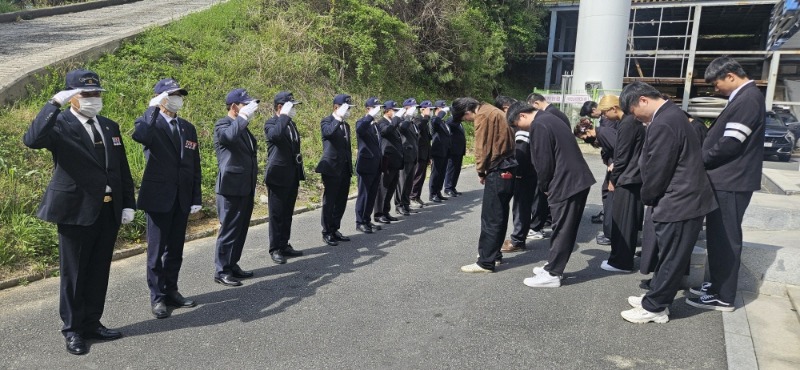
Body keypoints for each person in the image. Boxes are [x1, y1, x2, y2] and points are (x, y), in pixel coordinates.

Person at [23, 69, 135, 355]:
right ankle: (73, 330)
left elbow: (121, 168)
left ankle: (92, 322)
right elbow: (32, 139)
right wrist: (53, 104)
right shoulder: (59, 124)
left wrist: (128, 204)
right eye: (86, 94)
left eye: (96, 93)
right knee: (74, 274)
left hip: (108, 210)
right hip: (76, 210)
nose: (93, 99)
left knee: (98, 271)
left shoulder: (109, 126)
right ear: (72, 97)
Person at [618, 81, 717, 324]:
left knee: (672, 256)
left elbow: (658, 168)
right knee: (669, 254)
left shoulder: (664, 122)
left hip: (679, 200)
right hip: (683, 197)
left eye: (633, 112)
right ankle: (655, 297)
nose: (635, 118)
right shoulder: (672, 114)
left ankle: (655, 307)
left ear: (642, 100)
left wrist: (649, 198)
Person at [687, 56, 765, 312]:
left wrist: (700, 159)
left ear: (730, 75)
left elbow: (731, 143)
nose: (714, 89)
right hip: (729, 180)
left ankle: (723, 296)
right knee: (719, 237)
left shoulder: (748, 99)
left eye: (716, 83)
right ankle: (717, 284)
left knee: (725, 238)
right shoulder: (745, 98)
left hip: (731, 181)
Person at [507, 102, 595, 287]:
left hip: (567, 182)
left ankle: (553, 273)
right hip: (574, 179)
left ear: (522, 115)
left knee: (562, 228)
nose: (517, 128)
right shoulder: (550, 118)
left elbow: (543, 161)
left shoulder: (539, 125)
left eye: (515, 124)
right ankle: (552, 265)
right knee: (562, 227)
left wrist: (544, 185)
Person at [133, 78, 201, 319]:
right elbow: (139, 135)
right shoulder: (150, 124)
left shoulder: (187, 127)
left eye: (180, 95)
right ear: (161, 97)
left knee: (175, 250)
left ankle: (171, 290)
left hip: (182, 198)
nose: (178, 99)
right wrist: (151, 109)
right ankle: (157, 297)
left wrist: (196, 196)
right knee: (157, 251)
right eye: (173, 94)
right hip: (159, 197)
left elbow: (194, 166)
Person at [457, 97, 517, 273]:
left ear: (468, 111)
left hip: (497, 168)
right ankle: (494, 254)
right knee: (500, 214)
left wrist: (480, 170)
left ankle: (486, 261)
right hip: (509, 165)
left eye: (464, 118)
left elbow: (481, 147)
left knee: (491, 216)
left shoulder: (483, 115)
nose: (467, 121)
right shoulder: (495, 111)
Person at [212, 88, 260, 287]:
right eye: (244, 105)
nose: (249, 108)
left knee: (241, 228)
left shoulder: (243, 126)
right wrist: (243, 117)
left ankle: (232, 264)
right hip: (230, 186)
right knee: (230, 228)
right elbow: (229, 138)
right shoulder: (223, 124)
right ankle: (221, 269)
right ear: (234, 106)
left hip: (245, 185)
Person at [597, 95, 645, 273]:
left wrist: (613, 179)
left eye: (604, 112)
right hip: (634, 177)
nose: (603, 116)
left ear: (614, 108)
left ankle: (621, 262)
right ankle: (621, 258)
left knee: (623, 221)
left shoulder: (627, 124)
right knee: (628, 221)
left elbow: (621, 156)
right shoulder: (633, 122)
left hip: (627, 178)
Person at [264, 91, 306, 264]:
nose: (293, 110)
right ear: (280, 107)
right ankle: (275, 248)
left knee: (287, 212)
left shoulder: (290, 124)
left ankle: (284, 244)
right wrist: (283, 116)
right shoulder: (272, 123)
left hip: (292, 174)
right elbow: (275, 136)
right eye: (291, 106)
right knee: (277, 214)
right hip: (278, 176)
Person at [316, 94, 354, 246]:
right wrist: (338, 117)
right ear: (336, 107)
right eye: (346, 108)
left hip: (344, 168)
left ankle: (335, 228)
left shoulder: (346, 125)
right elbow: (328, 133)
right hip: (331, 168)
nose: (348, 111)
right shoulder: (327, 121)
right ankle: (326, 231)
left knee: (341, 201)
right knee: (330, 201)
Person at [573, 116, 616, 245]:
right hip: (614, 168)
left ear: (587, 131)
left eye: (583, 136)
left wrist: (613, 166)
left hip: (616, 170)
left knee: (610, 197)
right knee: (606, 196)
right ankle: (609, 232)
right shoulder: (602, 134)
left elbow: (619, 150)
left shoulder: (603, 133)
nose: (585, 139)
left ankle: (610, 234)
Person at [354, 98, 384, 233]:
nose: (378, 111)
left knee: (372, 194)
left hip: (376, 165)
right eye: (375, 108)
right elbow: (360, 130)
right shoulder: (362, 122)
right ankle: (360, 221)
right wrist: (369, 116)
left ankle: (367, 220)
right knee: (364, 194)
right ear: (368, 109)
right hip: (366, 165)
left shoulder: (375, 125)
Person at [373, 100, 404, 224]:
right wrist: (396, 119)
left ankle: (386, 211)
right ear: (387, 111)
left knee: (391, 188)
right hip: (387, 160)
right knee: (383, 188)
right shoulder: (382, 122)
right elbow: (386, 131)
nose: (396, 113)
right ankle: (378, 213)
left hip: (395, 161)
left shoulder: (393, 122)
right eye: (394, 110)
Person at [394, 98, 420, 216]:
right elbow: (402, 128)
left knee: (409, 182)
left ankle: (406, 204)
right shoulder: (403, 119)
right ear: (407, 108)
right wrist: (408, 116)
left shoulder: (413, 121)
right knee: (402, 182)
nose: (416, 110)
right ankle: (399, 205)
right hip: (405, 155)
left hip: (413, 156)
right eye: (413, 108)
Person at [409, 100, 433, 208]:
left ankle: (417, 196)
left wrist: (429, 155)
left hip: (425, 153)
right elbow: (418, 128)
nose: (430, 111)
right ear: (422, 109)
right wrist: (426, 117)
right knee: (417, 176)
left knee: (422, 177)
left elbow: (427, 139)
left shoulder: (426, 121)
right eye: (429, 109)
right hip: (419, 153)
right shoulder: (418, 119)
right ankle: (412, 197)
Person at [428, 100, 451, 202]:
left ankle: (438, 191)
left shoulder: (443, 121)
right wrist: (441, 113)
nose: (444, 111)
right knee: (436, 173)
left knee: (442, 173)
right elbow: (435, 122)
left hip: (445, 151)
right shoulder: (434, 119)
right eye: (442, 108)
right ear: (437, 109)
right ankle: (432, 194)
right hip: (437, 151)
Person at [444, 114, 466, 197]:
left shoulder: (459, 123)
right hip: (453, 150)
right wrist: (457, 116)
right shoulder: (451, 120)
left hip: (459, 150)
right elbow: (450, 123)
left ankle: (453, 187)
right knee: (451, 169)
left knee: (457, 169)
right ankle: (448, 188)